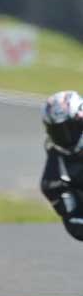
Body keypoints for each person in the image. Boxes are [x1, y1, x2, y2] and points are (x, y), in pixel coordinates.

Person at [41, 90, 83, 240]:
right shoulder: (55, 178)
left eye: (71, 128)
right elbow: (74, 222)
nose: (66, 136)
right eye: (58, 131)